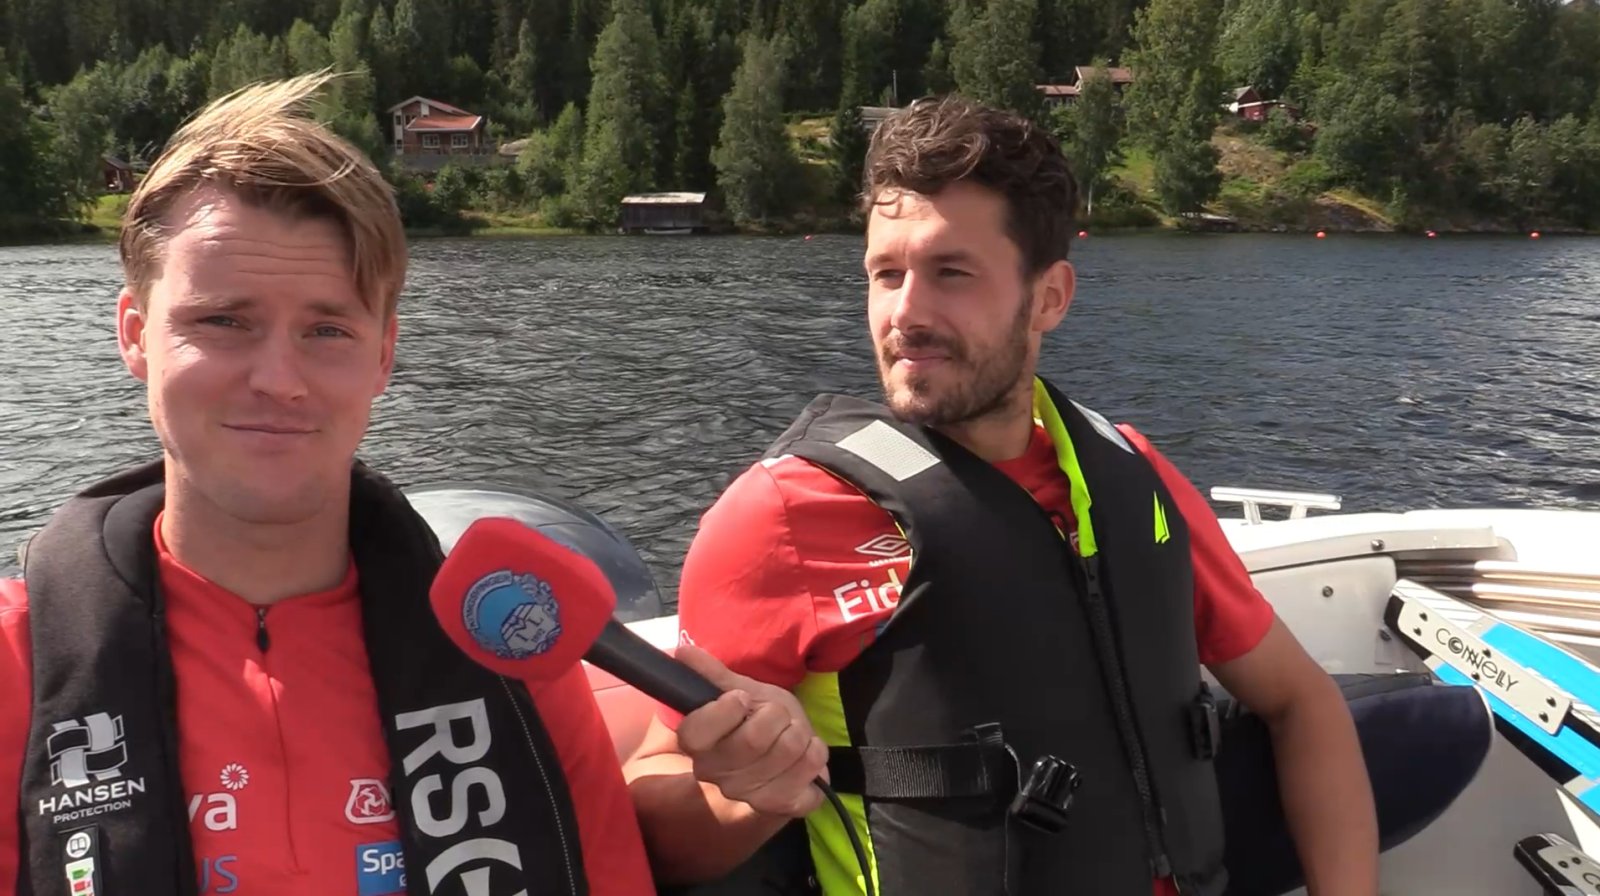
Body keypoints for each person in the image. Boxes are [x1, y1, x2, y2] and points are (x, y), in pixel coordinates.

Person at [624, 94, 1380, 896]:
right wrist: (747, 797)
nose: (905, 314)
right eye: (886, 274)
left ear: (1049, 297)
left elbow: (1302, 702)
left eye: (951, 273)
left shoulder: (1133, 478)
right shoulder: (785, 515)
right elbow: (652, 811)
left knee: (1432, 726)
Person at [0, 72, 654, 895]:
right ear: (135, 335)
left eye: (327, 330)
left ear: (383, 355)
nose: (279, 379)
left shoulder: (508, 651)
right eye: (224, 321)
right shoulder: (20, 668)